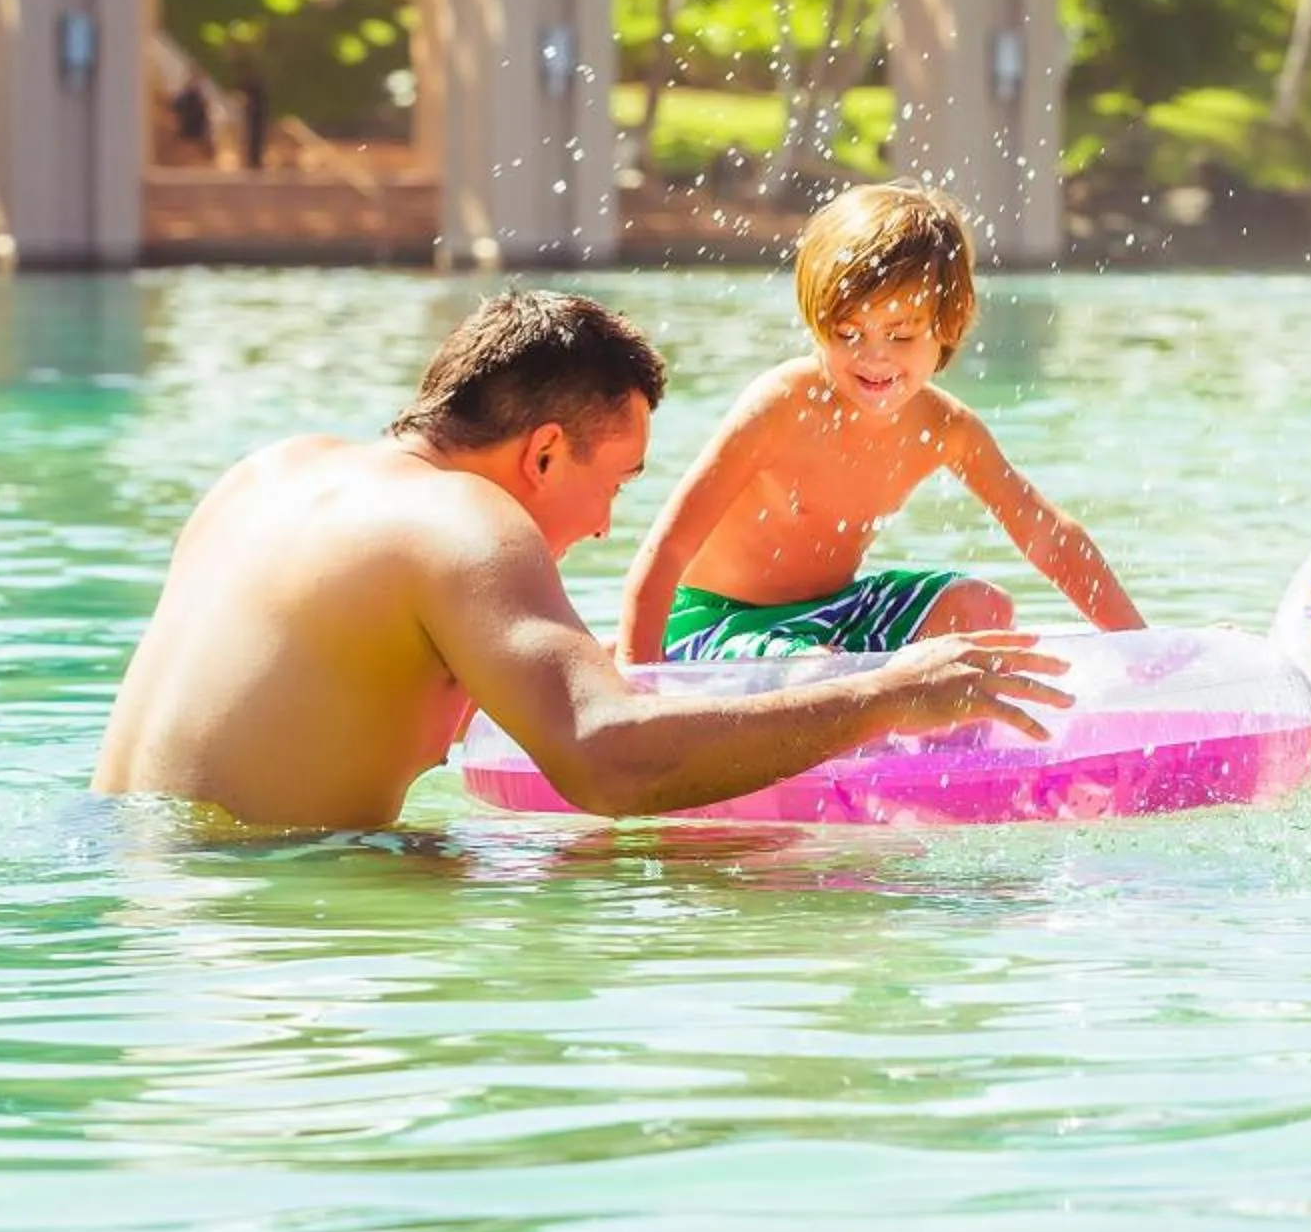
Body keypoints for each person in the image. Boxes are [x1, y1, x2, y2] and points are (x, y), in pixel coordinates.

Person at [93, 290, 1067, 832]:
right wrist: (888, 693)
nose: (605, 525)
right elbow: (609, 763)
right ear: (545, 452)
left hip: (138, 899)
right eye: (616, 482)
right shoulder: (466, 523)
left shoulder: (270, 473)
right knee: (763, 880)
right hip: (272, 921)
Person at [614, 183, 1144, 664]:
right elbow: (667, 550)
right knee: (815, 669)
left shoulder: (945, 427)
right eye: (848, 333)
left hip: (839, 613)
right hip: (720, 623)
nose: (874, 357)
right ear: (817, 323)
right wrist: (637, 685)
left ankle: (931, 733)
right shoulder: (781, 406)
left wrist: (1138, 646)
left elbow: (1046, 535)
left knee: (983, 610)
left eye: (901, 335)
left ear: (947, 327)